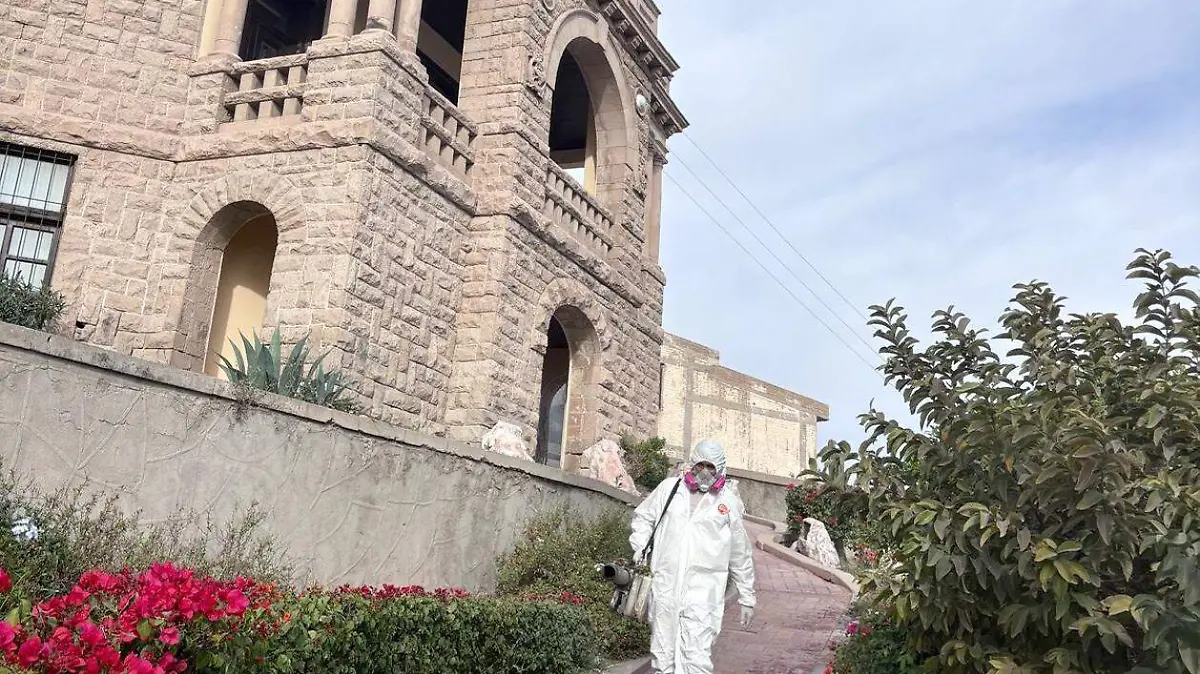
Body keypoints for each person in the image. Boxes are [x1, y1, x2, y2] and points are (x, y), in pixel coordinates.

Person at [629, 438, 756, 673]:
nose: (705, 472)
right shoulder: (670, 489)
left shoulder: (727, 502)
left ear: (720, 469)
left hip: (704, 593)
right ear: (692, 464)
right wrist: (640, 547)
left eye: (711, 467)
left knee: (697, 660)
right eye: (700, 465)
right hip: (665, 585)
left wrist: (747, 597)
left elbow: (740, 552)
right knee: (662, 658)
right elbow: (643, 517)